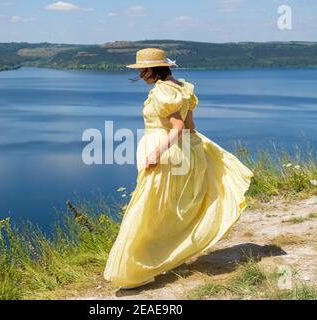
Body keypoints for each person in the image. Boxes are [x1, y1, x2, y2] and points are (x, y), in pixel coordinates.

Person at [104, 48, 254, 290]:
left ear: (153, 70)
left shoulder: (162, 91)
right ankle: (165, 257)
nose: (141, 75)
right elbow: (191, 127)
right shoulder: (183, 88)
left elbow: (177, 126)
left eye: (143, 70)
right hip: (180, 151)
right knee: (169, 208)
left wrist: (156, 153)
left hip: (164, 152)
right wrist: (198, 150)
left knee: (148, 209)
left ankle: (135, 270)